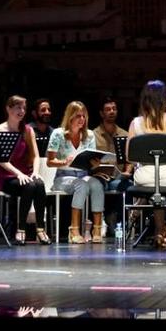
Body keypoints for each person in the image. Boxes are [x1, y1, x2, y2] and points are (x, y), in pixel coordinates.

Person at [127, 81, 166, 249]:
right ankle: (160, 230)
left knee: (155, 188)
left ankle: (158, 230)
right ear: (165, 99)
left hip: (146, 177)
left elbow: (129, 156)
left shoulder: (136, 123)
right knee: (161, 189)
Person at [0, 95, 51, 245]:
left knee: (38, 183)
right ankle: (21, 229)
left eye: (23, 108)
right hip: (7, 177)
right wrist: (18, 174)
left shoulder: (28, 130)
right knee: (31, 186)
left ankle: (40, 228)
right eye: (18, 107)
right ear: (8, 108)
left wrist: (36, 172)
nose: (21, 111)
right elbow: (1, 160)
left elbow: (36, 156)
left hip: (25, 176)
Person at [47, 101, 105, 244]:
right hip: (63, 177)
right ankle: (74, 230)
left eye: (84, 116)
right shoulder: (58, 134)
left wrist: (96, 164)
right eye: (78, 116)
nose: (81, 119)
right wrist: (64, 162)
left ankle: (97, 229)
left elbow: (90, 161)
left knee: (97, 185)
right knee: (82, 185)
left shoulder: (89, 135)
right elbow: (50, 161)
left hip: (83, 175)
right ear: (70, 117)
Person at [92, 97, 132, 234]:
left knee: (129, 186)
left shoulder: (125, 134)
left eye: (114, 109)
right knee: (95, 185)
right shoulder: (93, 135)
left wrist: (127, 171)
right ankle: (100, 221)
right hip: (100, 176)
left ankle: (120, 222)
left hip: (118, 177)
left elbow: (130, 159)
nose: (112, 111)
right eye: (108, 109)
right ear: (102, 113)